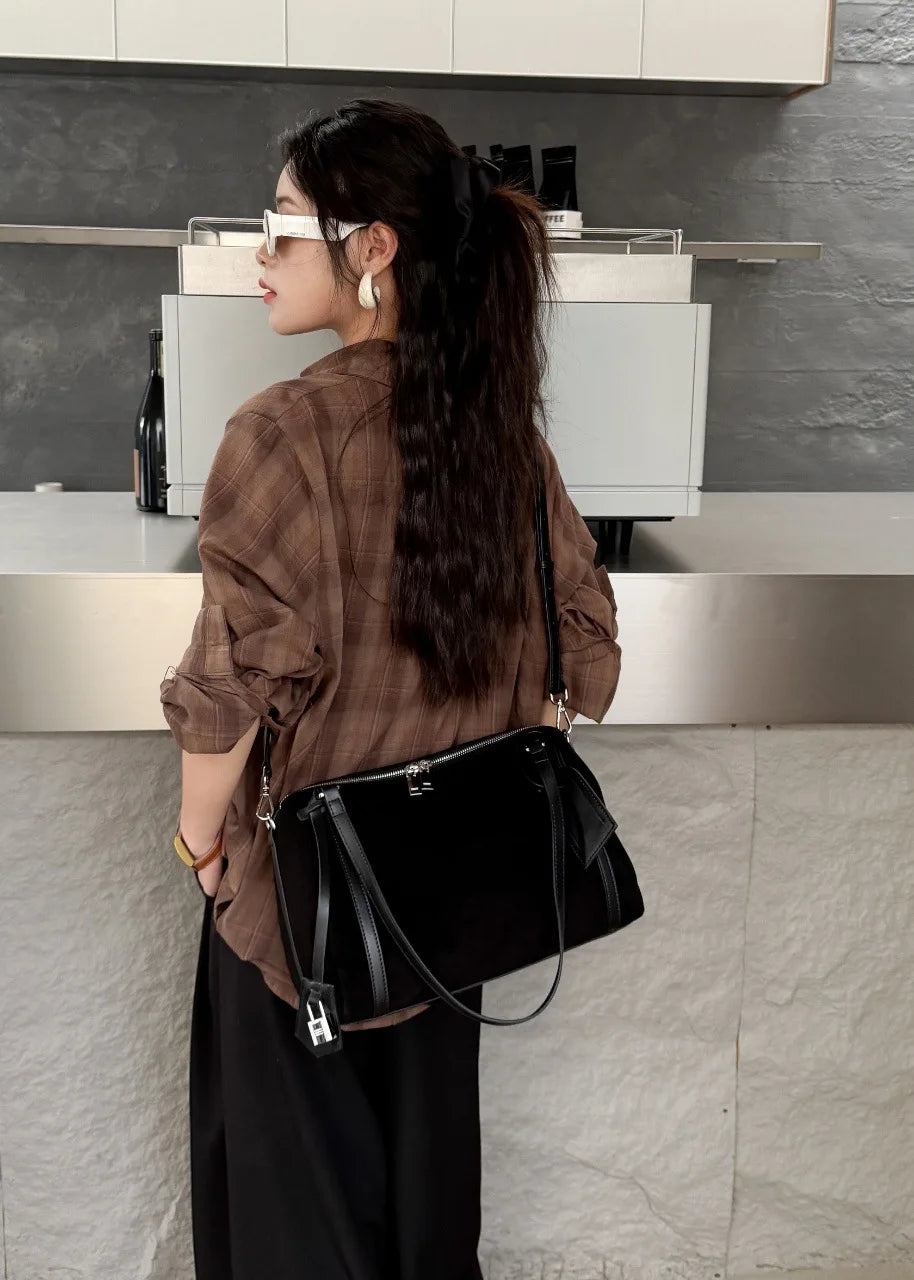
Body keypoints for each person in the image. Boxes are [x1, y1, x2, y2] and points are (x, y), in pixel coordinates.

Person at [160, 98, 622, 1280]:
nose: (262, 253)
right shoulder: (500, 434)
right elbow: (586, 649)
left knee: (295, 1234)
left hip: (303, 921)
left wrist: (199, 843)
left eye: (282, 223)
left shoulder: (280, 434)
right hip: (446, 917)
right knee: (425, 1229)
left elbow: (227, 690)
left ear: (372, 247)